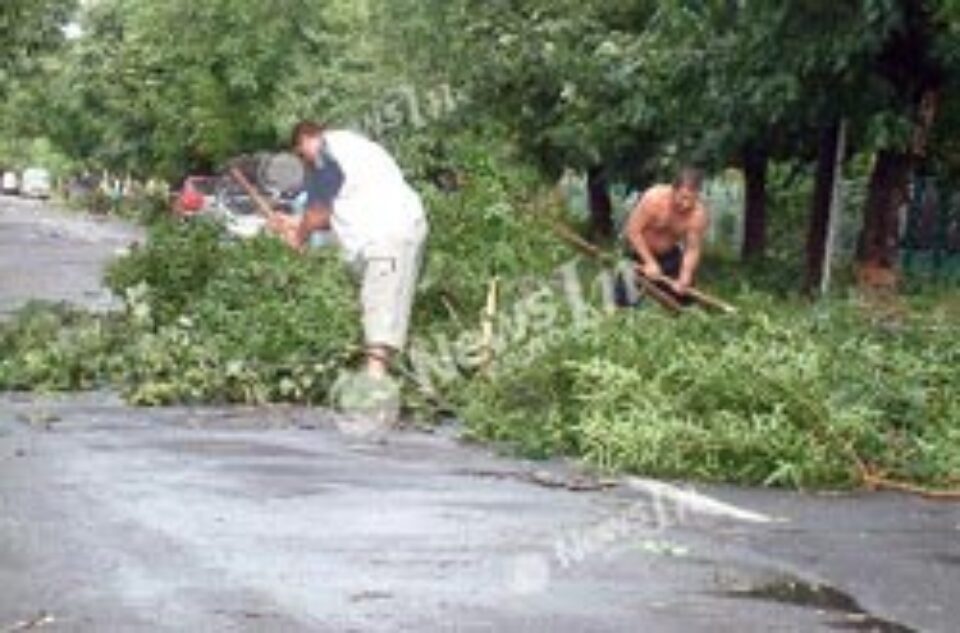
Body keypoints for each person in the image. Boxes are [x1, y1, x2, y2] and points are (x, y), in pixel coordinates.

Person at [270, 121, 428, 380]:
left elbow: (318, 211)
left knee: (380, 309)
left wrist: (298, 236)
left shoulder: (327, 150)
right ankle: (386, 379)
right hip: (393, 231)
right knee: (381, 308)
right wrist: (294, 224)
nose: (303, 163)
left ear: (308, 137)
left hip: (387, 235)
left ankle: (374, 385)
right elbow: (335, 214)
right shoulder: (353, 150)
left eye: (300, 154)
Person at [622, 167, 709, 297]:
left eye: (692, 199)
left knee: (685, 297)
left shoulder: (698, 215)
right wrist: (649, 262)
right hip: (638, 252)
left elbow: (692, 249)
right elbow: (633, 231)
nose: (686, 205)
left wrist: (685, 275)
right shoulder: (653, 198)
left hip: (669, 256)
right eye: (683, 198)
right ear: (673, 189)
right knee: (623, 299)